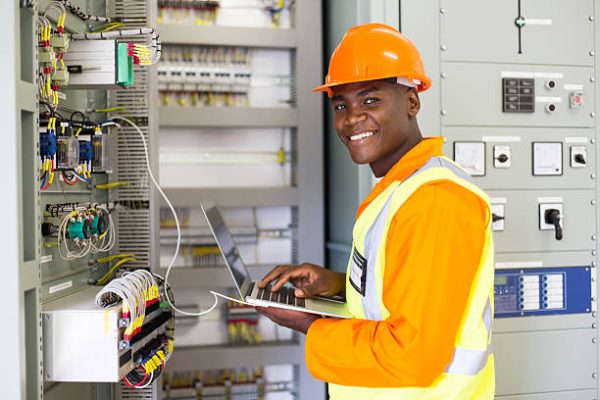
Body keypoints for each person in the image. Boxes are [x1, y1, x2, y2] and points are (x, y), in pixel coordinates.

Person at [256, 23, 495, 399]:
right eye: (341, 105)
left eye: (370, 100)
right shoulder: (399, 190)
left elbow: (412, 355)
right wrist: (334, 285)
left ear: (412, 102)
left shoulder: (434, 201)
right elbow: (400, 291)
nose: (351, 119)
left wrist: (309, 324)